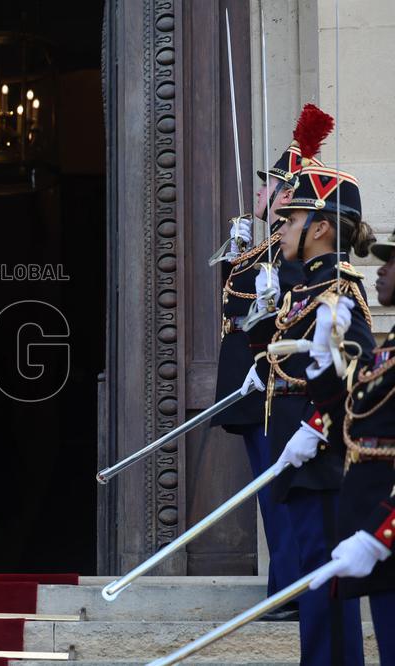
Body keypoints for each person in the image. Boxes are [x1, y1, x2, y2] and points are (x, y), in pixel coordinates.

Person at [210, 107, 335, 616]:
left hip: (274, 387)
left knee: (282, 492)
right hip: (249, 389)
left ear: (286, 195)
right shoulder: (261, 248)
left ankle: (291, 589)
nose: (260, 195)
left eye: (269, 188)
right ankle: (285, 586)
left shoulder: (290, 255)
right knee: (271, 494)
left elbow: (296, 306)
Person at [253, 160, 376, 664]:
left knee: (325, 589)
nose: (280, 228)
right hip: (299, 457)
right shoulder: (304, 288)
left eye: (291, 219)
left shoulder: (338, 290)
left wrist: (316, 427)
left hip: (320, 460)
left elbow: (359, 378)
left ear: (321, 228)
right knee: (313, 581)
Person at [298, 230, 395, 664]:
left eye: (392, 263)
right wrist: (322, 367)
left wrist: (381, 534)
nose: (382, 271)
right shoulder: (388, 349)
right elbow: (355, 434)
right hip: (373, 536)